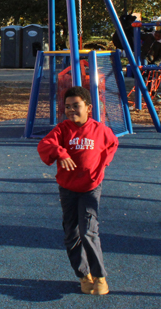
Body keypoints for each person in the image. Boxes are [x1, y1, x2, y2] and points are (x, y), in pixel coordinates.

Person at [37, 86, 119, 296]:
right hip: (68, 189)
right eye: (67, 107)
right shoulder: (62, 129)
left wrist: (103, 164)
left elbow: (112, 144)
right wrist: (60, 153)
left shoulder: (99, 130)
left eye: (76, 106)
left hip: (91, 187)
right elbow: (45, 144)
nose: (72, 110)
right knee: (71, 233)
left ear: (89, 108)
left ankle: (99, 276)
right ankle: (83, 275)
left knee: (89, 231)